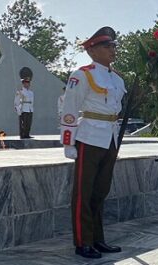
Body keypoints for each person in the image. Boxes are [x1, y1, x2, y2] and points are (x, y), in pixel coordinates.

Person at [60, 26, 125, 259]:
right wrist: (68, 142)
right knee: (83, 192)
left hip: (109, 137)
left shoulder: (116, 78)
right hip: (88, 136)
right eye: (107, 46)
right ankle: (82, 241)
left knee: (100, 191)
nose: (112, 50)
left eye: (113, 46)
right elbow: (69, 109)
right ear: (93, 51)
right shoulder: (82, 75)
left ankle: (98, 238)